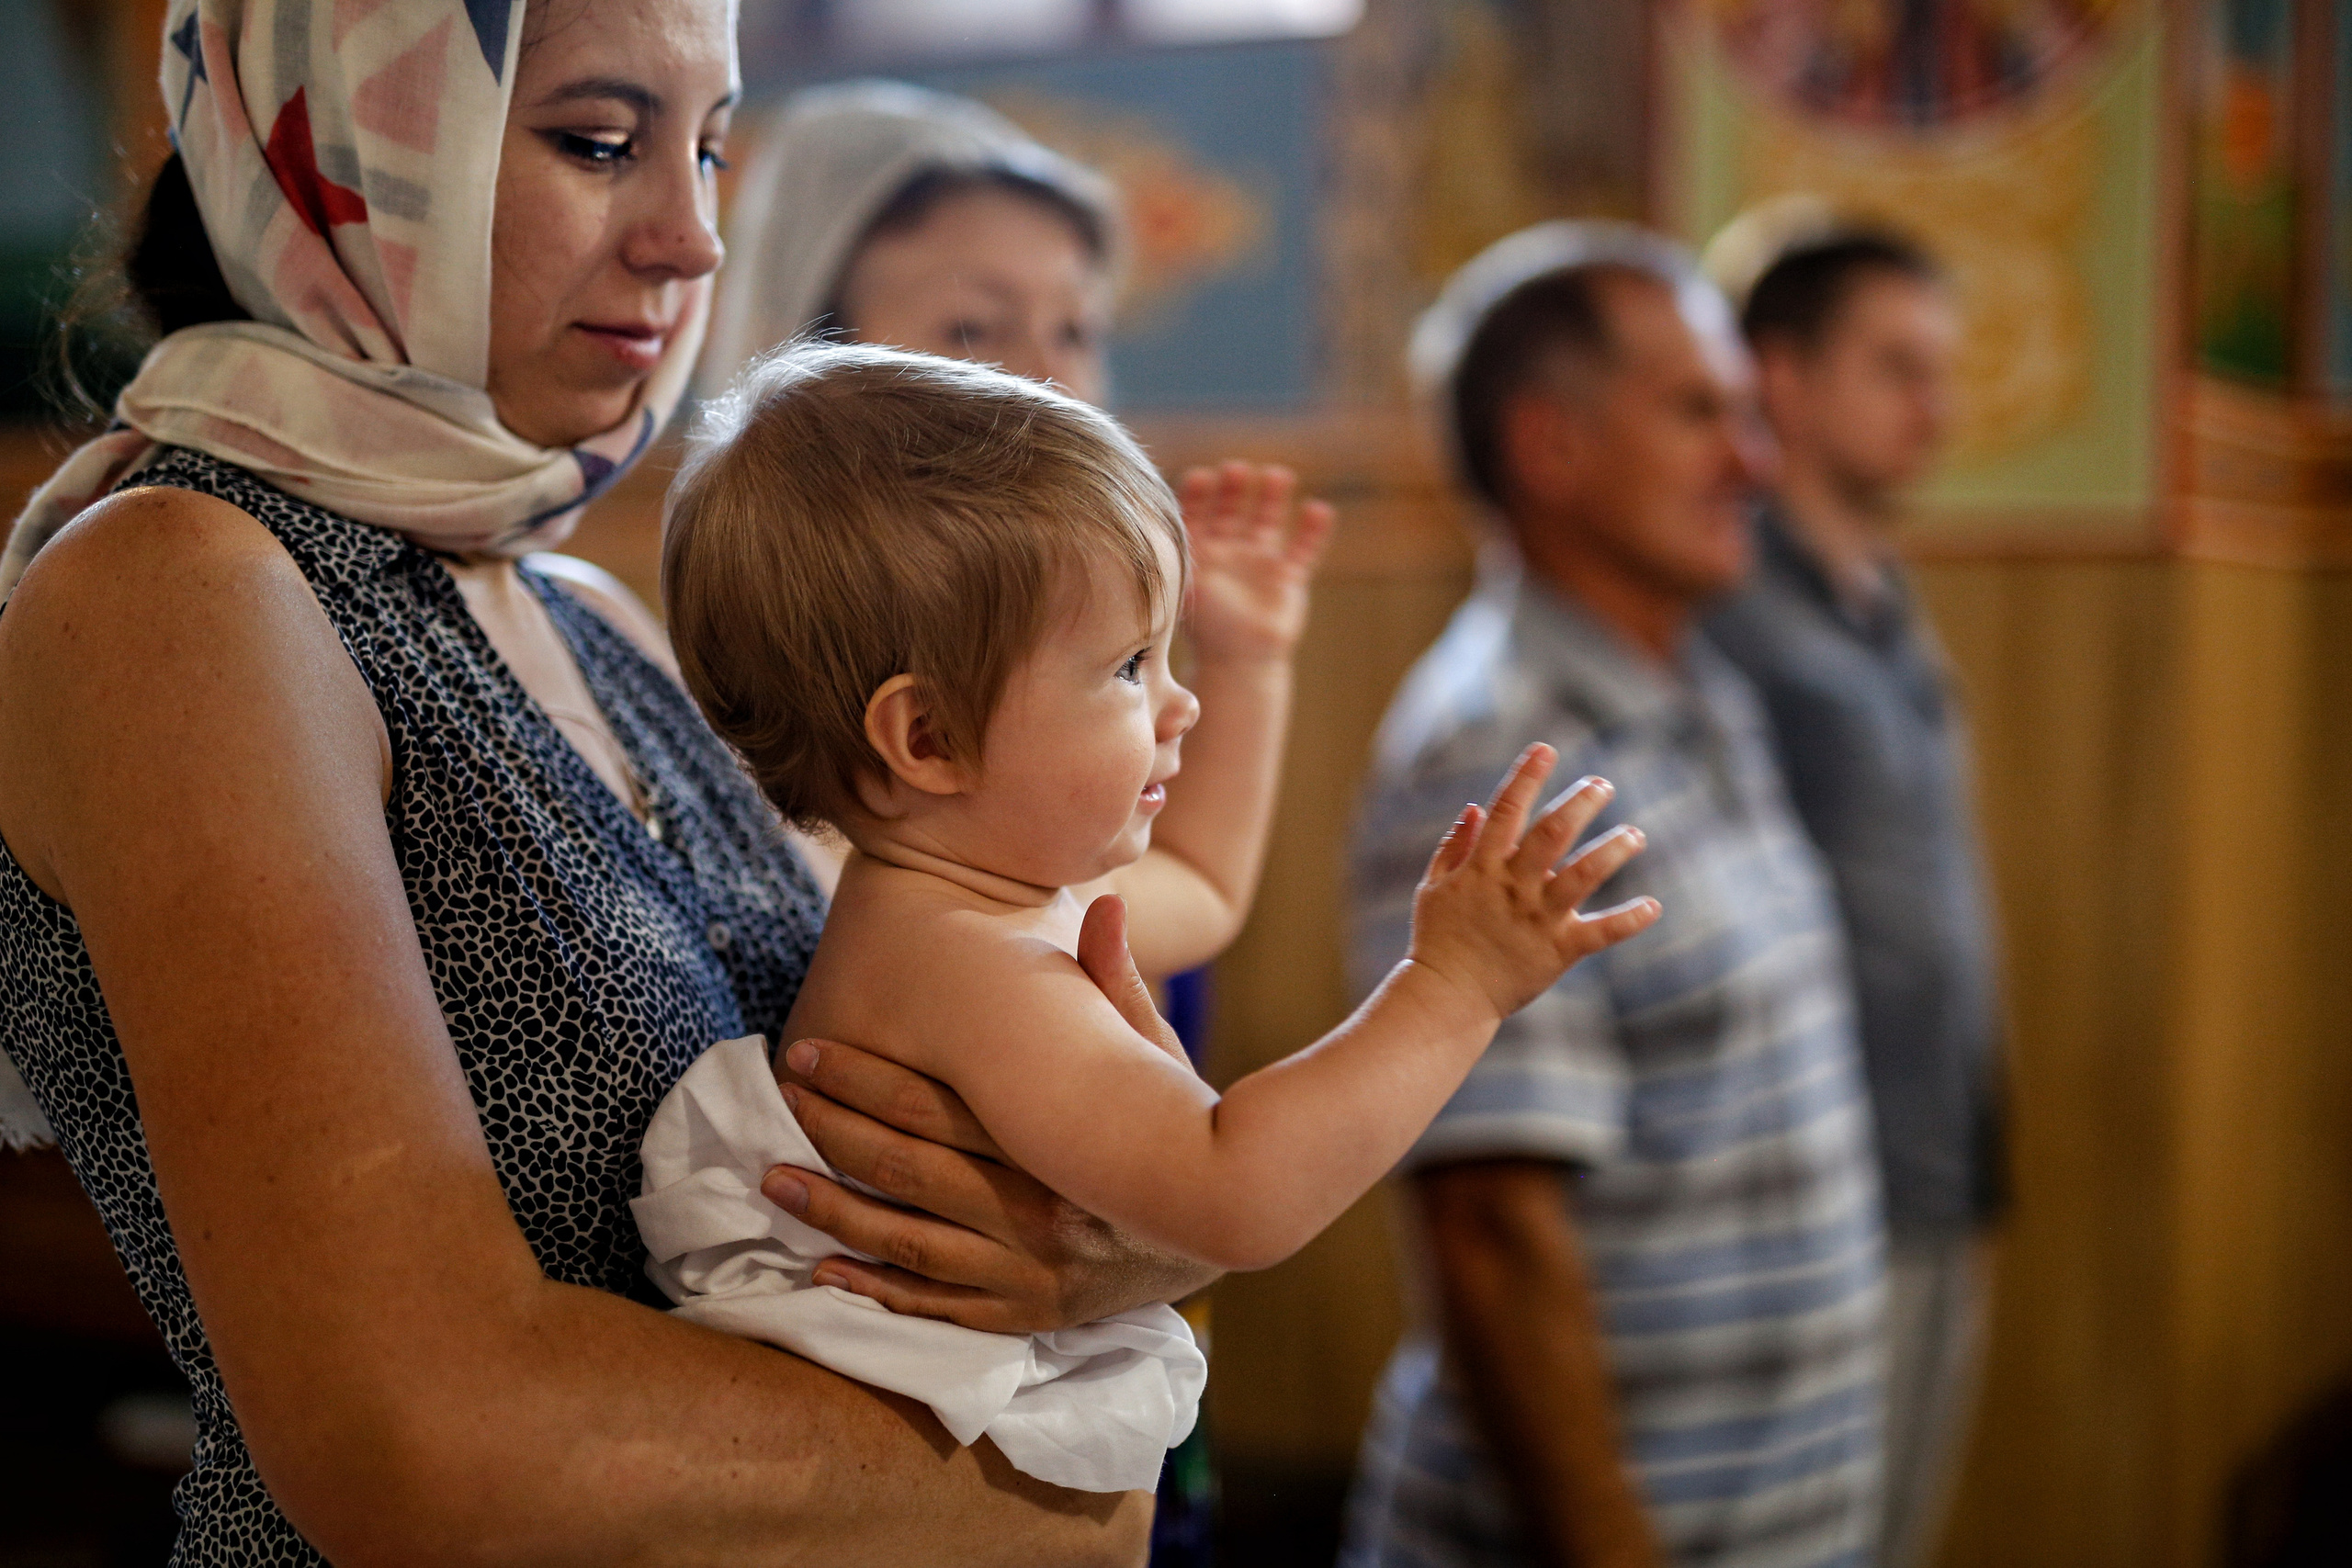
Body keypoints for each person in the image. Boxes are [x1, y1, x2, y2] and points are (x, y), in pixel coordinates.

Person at [0, 4, 1225, 1561]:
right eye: (596, 141)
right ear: (353, 153)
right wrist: (1063, 1486)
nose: (692, 239)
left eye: (709, 148)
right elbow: (419, 1439)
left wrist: (1094, 1255)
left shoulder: (579, 603)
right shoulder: (181, 588)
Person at [648, 339, 1658, 1491]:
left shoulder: (974, 899)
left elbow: (1207, 888)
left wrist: (1254, 665)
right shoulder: (970, 968)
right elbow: (1236, 1195)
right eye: (1130, 666)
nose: (1178, 704)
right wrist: (1454, 990)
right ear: (926, 738)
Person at [1340, 222, 1885, 1568]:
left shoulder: (1695, 686)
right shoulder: (1500, 749)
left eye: (1754, 417)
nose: (1754, 463)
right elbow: (1493, 1230)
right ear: (1552, 446)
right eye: (1703, 412)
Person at [1701, 221, 2002, 1568]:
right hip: (1806, 1178)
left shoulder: (1880, 595)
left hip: (1941, 1148)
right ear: (1783, 374)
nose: (1934, 407)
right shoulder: (1722, 600)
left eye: (1941, 371)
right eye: (1896, 367)